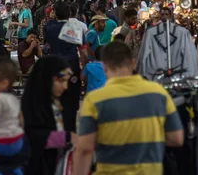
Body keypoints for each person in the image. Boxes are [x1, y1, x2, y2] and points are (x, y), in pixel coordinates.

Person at [73, 42, 184, 175]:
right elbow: (176, 138)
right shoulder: (159, 93)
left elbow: (85, 149)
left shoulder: (95, 99)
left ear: (104, 67)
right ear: (132, 63)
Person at [22, 56, 77, 175]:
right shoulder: (32, 106)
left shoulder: (64, 103)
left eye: (66, 81)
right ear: (46, 79)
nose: (65, 86)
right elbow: (32, 137)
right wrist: (66, 138)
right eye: (61, 81)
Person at [43, 2, 86, 132]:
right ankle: (70, 134)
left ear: (55, 13)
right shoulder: (76, 29)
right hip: (71, 68)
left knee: (55, 102)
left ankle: (57, 135)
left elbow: (47, 44)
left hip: (54, 68)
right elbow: (83, 52)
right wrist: (83, 69)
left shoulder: (49, 27)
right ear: (70, 14)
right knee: (71, 104)